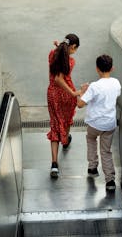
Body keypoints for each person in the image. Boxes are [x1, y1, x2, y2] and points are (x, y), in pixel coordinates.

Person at [77, 55, 121, 192]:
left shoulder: (94, 87)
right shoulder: (116, 83)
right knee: (106, 151)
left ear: (97, 69)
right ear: (112, 68)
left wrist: (83, 91)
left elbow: (80, 104)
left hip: (95, 124)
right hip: (109, 125)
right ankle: (110, 180)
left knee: (91, 139)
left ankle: (92, 167)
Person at [47, 33, 81, 178]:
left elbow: (57, 59)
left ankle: (54, 164)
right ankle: (65, 139)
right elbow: (59, 79)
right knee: (66, 120)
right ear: (72, 47)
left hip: (53, 95)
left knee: (55, 125)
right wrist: (73, 93)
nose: (75, 52)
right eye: (75, 49)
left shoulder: (52, 54)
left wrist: (57, 47)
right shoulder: (70, 61)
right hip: (66, 95)